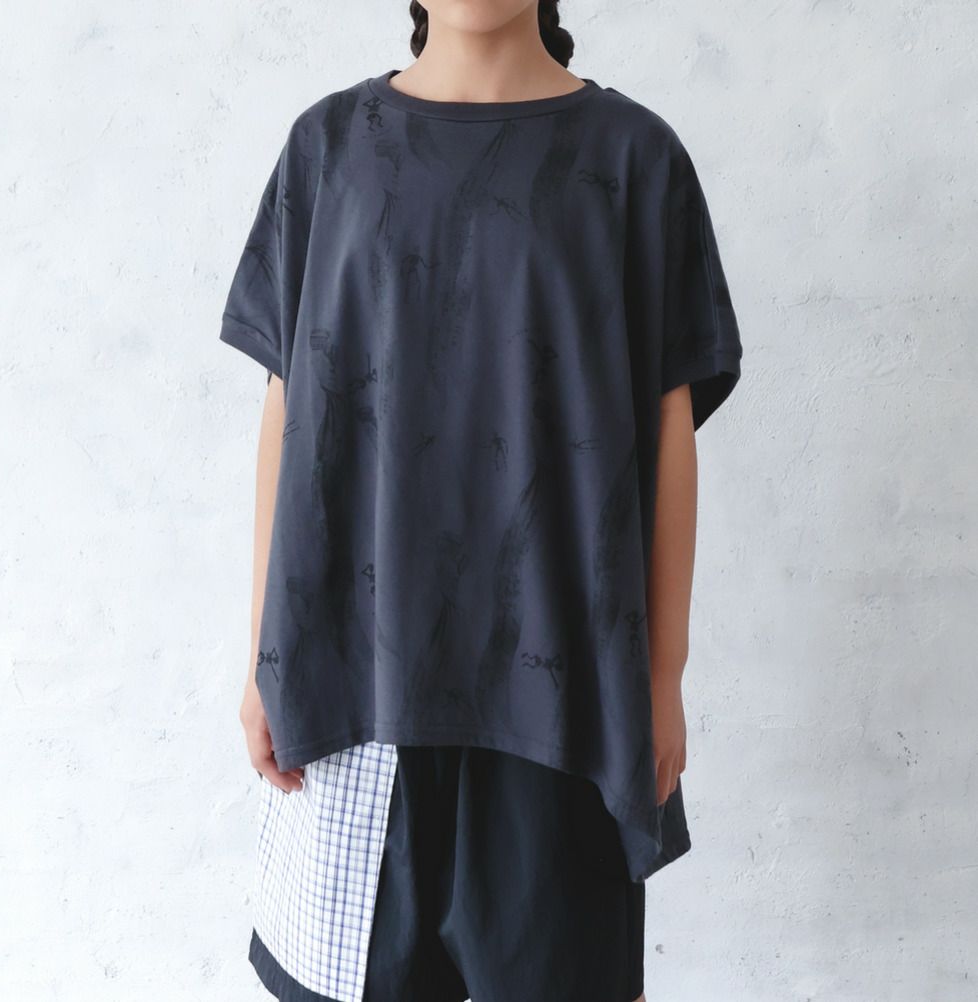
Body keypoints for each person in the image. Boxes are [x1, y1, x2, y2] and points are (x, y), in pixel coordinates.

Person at [218, 3, 743, 1001]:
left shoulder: (634, 160)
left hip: (562, 705)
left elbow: (670, 424)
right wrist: (262, 660)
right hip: (356, 698)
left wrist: (663, 673)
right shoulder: (328, 150)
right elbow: (287, 407)